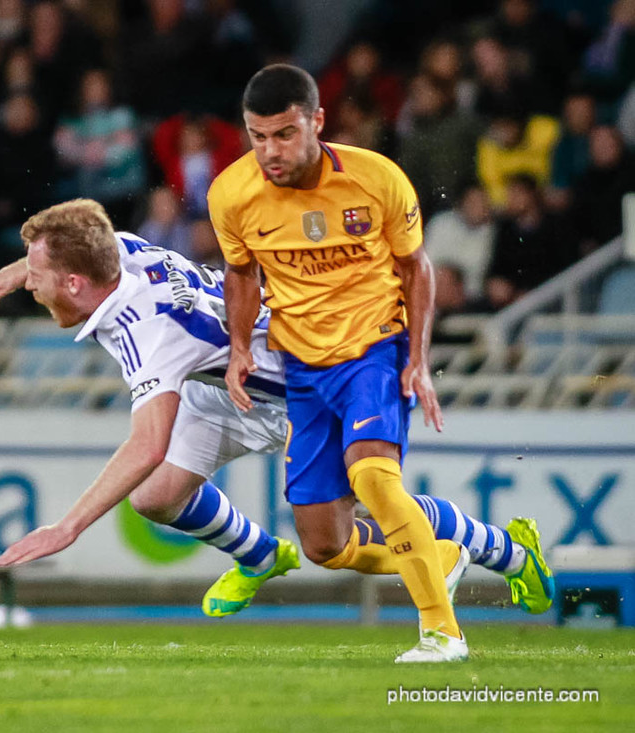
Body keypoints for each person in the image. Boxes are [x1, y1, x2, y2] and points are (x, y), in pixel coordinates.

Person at [0, 199, 548, 623]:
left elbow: (145, 443)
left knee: (350, 528)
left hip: (297, 392)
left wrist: (67, 527)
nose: (29, 285)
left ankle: (511, 551)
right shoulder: (115, 252)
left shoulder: (149, 335)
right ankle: (258, 555)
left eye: (35, 278)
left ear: (73, 285)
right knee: (155, 498)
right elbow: (58, 253)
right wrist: (1, 279)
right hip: (220, 379)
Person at [207, 64, 551, 662]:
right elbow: (241, 274)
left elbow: (416, 268)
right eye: (257, 137)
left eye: (284, 134)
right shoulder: (232, 194)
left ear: (317, 121)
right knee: (324, 545)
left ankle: (442, 633)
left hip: (375, 349)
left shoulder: (376, 178)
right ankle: (483, 550)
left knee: (374, 479)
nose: (269, 151)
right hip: (304, 370)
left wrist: (417, 359)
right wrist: (240, 348)